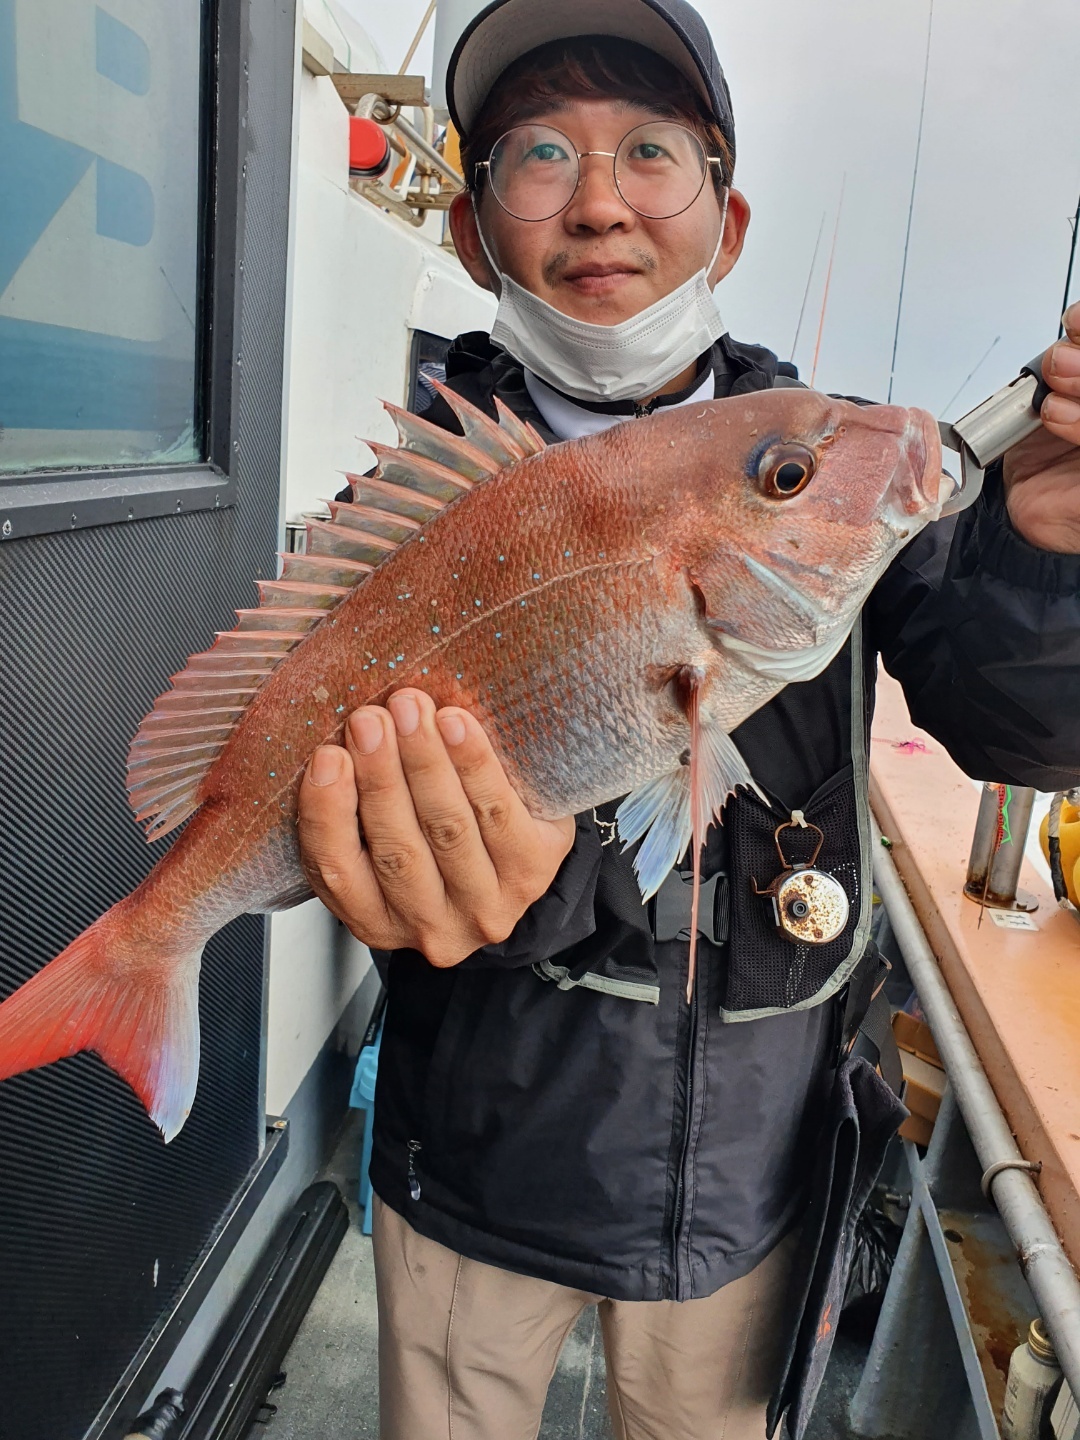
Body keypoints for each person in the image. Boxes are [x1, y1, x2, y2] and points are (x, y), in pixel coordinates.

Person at [297, 2, 1080, 1435]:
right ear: (471, 232)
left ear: (728, 221)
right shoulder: (405, 516)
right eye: (537, 154)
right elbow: (348, 804)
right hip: (473, 1162)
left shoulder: (819, 454)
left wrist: (1050, 556)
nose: (599, 202)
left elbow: (1024, 736)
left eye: (652, 150)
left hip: (747, 1181)